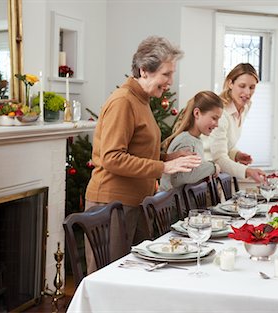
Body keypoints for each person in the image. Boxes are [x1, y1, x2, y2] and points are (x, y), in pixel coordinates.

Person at [84, 36, 201, 273]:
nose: (170, 81)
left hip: (133, 202)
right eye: (166, 74)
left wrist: (169, 158)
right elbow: (112, 157)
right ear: (144, 70)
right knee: (110, 278)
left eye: (171, 74)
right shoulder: (123, 101)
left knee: (134, 276)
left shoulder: (142, 100)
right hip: (111, 203)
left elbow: (138, 151)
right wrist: (163, 168)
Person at [203, 63, 265, 183]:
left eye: (252, 87)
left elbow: (224, 143)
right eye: (242, 86)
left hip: (215, 176)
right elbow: (218, 158)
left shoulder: (244, 107)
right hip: (202, 177)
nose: (247, 92)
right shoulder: (221, 114)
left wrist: (236, 154)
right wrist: (248, 171)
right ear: (230, 84)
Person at [159, 91, 223, 191]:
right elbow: (181, 178)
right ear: (197, 113)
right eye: (214, 118)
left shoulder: (195, 139)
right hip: (173, 204)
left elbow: (195, 169)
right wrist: (213, 167)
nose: (217, 124)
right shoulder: (185, 141)